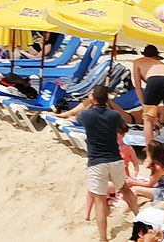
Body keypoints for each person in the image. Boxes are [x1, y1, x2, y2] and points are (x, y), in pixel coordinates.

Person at [69, 84, 137, 242]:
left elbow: (76, 117)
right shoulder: (113, 115)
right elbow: (124, 128)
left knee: (99, 200)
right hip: (115, 158)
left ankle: (103, 237)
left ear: (93, 98)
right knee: (125, 190)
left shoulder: (87, 115)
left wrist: (88, 103)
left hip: (97, 161)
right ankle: (140, 218)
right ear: (107, 99)